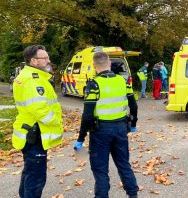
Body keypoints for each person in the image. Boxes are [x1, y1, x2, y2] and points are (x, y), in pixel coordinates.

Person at [73, 51, 139, 198]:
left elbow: (87, 115)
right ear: (110, 64)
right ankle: (133, 195)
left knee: (100, 170)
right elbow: (133, 106)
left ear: (94, 66)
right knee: (124, 165)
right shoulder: (122, 81)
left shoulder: (94, 85)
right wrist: (133, 124)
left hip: (100, 132)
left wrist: (81, 138)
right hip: (121, 129)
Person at [12, 45, 63, 198]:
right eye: (45, 58)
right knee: (36, 177)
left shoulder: (30, 76)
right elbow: (39, 109)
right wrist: (56, 121)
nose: (48, 61)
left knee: (30, 172)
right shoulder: (33, 80)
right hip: (35, 134)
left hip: (29, 132)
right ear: (34, 61)